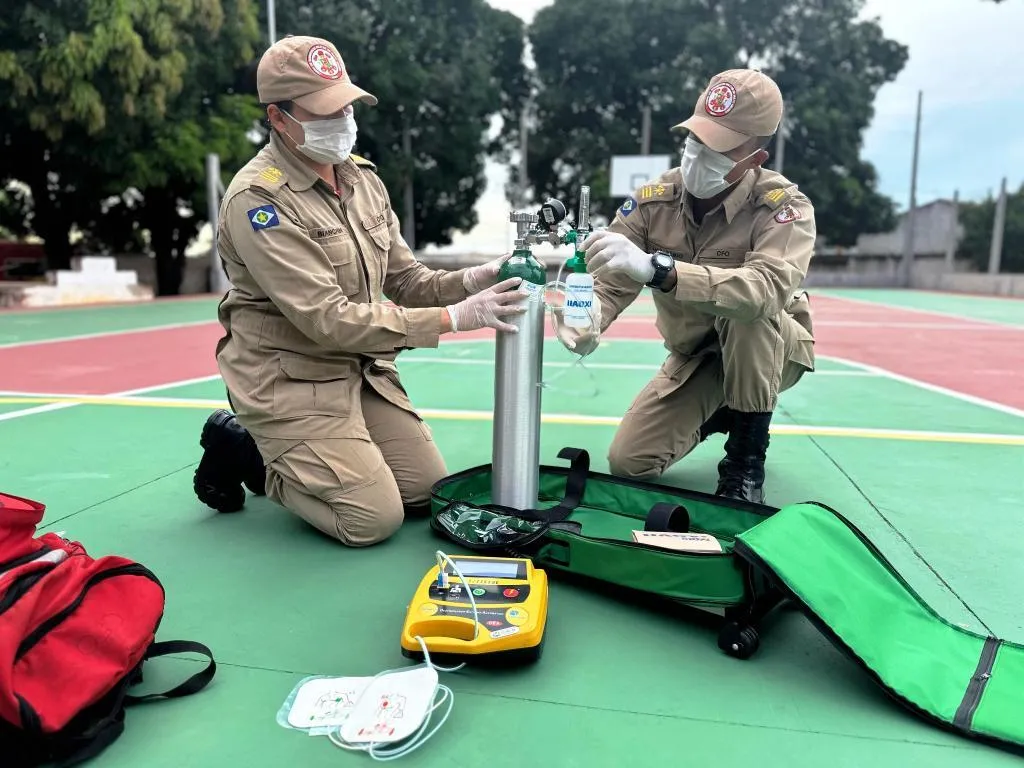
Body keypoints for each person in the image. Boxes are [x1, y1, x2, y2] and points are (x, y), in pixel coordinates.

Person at [193, 35, 529, 546]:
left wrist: (474, 278)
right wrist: (456, 318)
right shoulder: (259, 200)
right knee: (370, 520)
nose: (342, 121)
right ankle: (248, 452)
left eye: (346, 106)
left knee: (424, 494)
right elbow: (326, 318)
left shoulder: (362, 179)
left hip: (359, 369)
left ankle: (322, 456)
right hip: (291, 379)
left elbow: (406, 279)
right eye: (324, 113)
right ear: (278, 117)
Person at [557, 69, 816, 504]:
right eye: (695, 138)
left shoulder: (783, 207)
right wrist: (589, 319)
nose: (699, 153)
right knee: (630, 462)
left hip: (771, 348)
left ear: (755, 158)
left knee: (747, 306)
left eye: (718, 146)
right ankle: (726, 408)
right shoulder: (653, 201)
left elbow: (766, 290)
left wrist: (661, 271)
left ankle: (744, 461)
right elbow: (612, 280)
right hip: (697, 355)